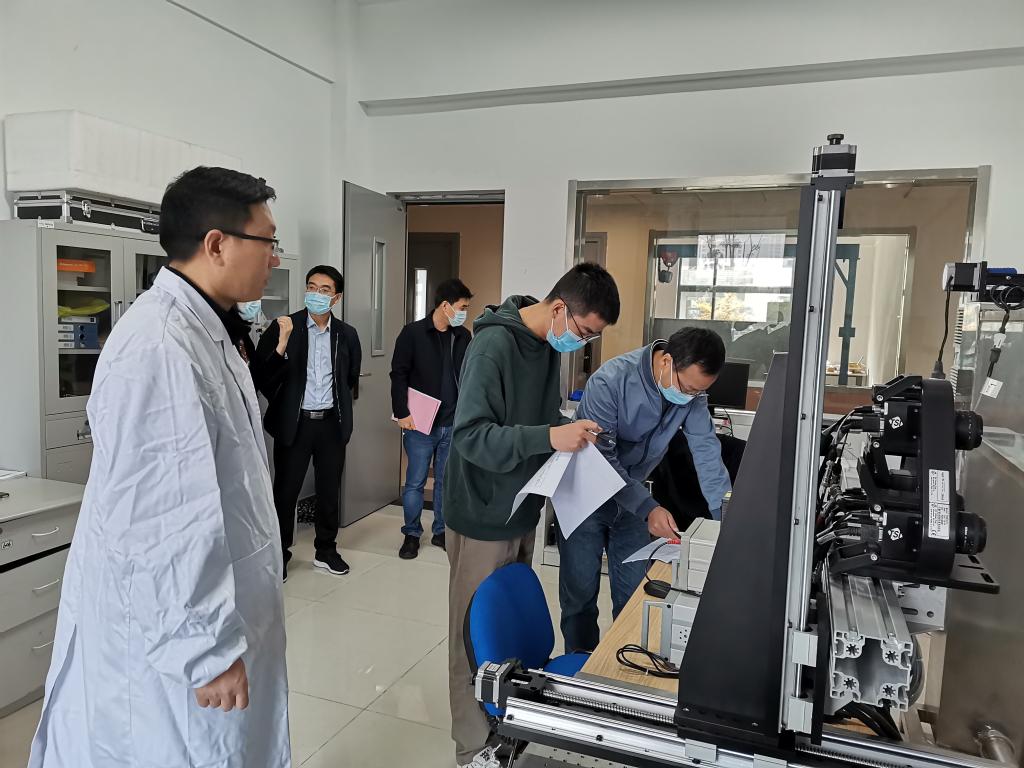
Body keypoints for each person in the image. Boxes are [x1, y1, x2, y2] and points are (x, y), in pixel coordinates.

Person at [28, 167, 290, 766]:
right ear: (217, 244)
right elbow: (163, 518)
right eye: (267, 241)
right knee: (178, 748)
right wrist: (206, 649)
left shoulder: (207, 330)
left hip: (217, 611)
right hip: (175, 645)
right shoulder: (161, 346)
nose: (274, 258)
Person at [445, 263, 620, 768]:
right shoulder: (493, 346)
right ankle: (472, 748)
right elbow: (471, 436)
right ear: (559, 308)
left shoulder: (546, 345)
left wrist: (569, 428)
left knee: (509, 634)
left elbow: (531, 421)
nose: (582, 343)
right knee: (473, 640)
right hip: (482, 512)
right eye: (583, 332)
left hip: (522, 505)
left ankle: (508, 726)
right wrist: (549, 436)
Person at [559, 327, 732, 653]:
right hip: (584, 493)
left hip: (632, 498)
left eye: (700, 392)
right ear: (666, 361)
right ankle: (579, 669)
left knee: (635, 595)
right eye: (688, 388)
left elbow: (707, 452)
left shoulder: (691, 395)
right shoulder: (611, 381)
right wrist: (647, 508)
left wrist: (725, 521)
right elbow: (601, 460)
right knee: (579, 597)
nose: (692, 397)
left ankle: (625, 667)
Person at [252, 265, 361, 580]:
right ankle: (280, 553)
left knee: (329, 491)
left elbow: (350, 378)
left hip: (330, 424)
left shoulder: (346, 334)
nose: (316, 294)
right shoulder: (285, 327)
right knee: (285, 492)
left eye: (325, 290)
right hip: (295, 424)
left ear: (336, 298)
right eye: (311, 287)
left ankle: (326, 550)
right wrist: (282, 347)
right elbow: (262, 377)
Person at [391, 278, 474, 559]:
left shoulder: (463, 336)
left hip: (453, 422)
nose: (464, 313)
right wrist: (401, 412)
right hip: (420, 422)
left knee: (445, 481)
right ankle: (411, 534)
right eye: (462, 307)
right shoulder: (413, 333)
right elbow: (398, 374)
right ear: (445, 305)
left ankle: (441, 531)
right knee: (415, 481)